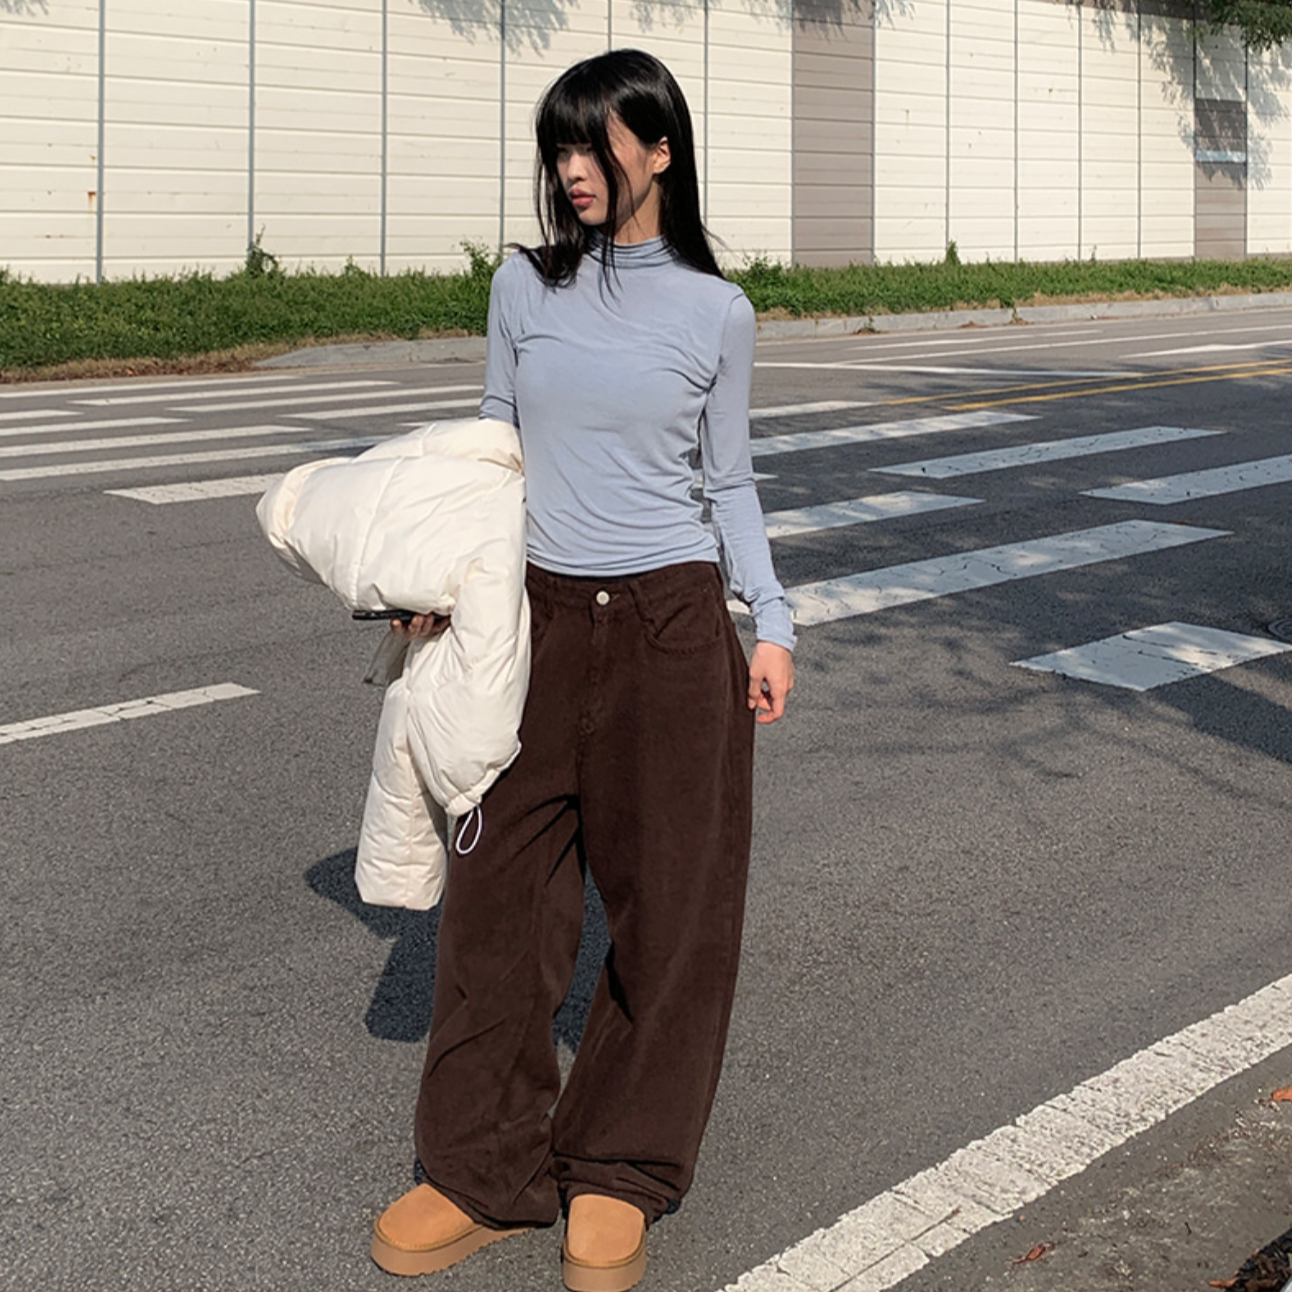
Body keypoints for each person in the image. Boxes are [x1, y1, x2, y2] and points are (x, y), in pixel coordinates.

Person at [371, 48, 795, 1292]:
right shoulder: (523, 285)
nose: (570, 167)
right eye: (556, 145)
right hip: (534, 622)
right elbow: (493, 442)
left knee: (671, 911)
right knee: (496, 897)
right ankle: (480, 1169)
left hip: (671, 625)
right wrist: (441, 581)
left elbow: (728, 478)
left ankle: (619, 1163)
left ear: (659, 150)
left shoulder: (716, 311)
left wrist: (770, 620)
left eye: (593, 143)